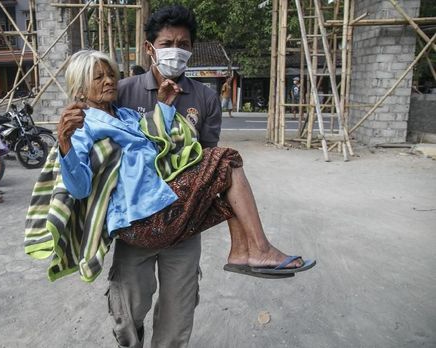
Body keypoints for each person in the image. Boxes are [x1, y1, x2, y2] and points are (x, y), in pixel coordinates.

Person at [58, 48, 315, 348]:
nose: (108, 81)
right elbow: (79, 189)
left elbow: (154, 140)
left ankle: (247, 250)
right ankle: (256, 249)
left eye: (110, 74)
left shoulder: (126, 115)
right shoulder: (82, 126)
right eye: (97, 77)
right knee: (225, 161)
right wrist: (64, 143)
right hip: (140, 220)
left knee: (223, 186)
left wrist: (165, 106)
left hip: (161, 206)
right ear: (79, 88)